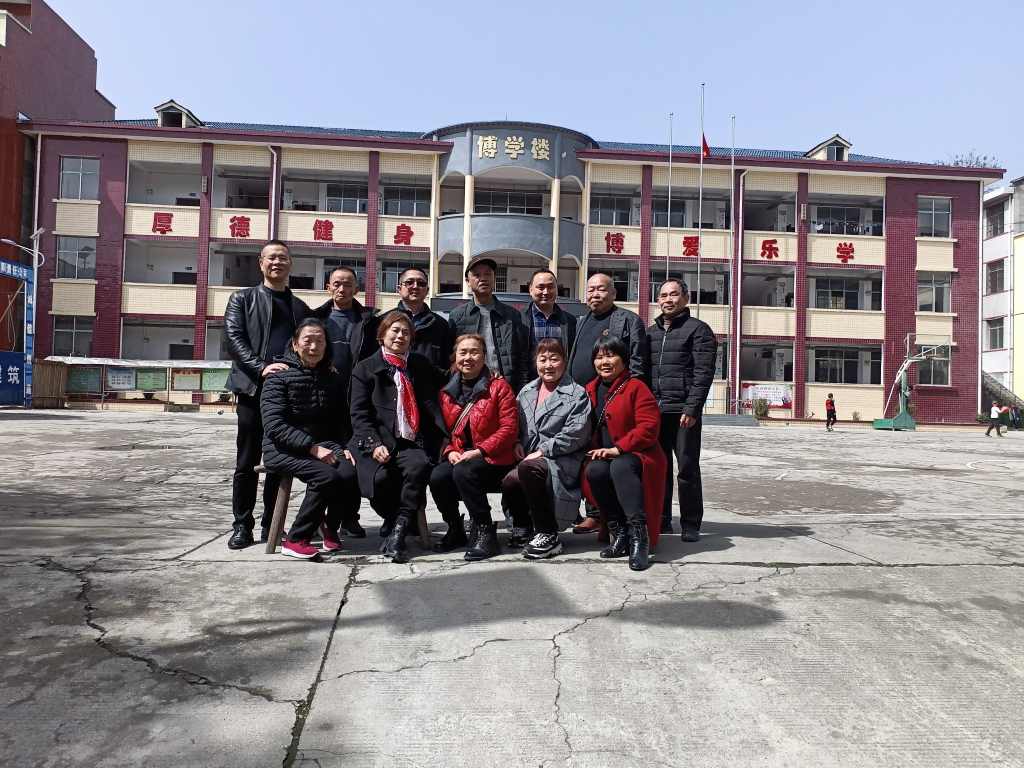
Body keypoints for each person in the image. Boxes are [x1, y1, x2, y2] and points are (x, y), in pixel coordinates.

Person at [224, 239, 311, 550]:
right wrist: (261, 367)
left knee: (280, 462)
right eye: (271, 257)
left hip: (287, 396)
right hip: (252, 391)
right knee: (247, 462)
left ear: (290, 264)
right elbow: (234, 339)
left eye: (283, 258)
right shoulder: (242, 299)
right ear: (261, 263)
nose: (277, 262)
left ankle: (270, 526)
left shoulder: (299, 307)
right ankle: (242, 525)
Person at [260, 319, 360, 560]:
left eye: (320, 341)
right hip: (282, 448)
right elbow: (274, 425)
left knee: (349, 472)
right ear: (295, 344)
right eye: (308, 340)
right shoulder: (278, 377)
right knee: (326, 477)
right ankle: (296, 539)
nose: (314, 347)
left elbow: (340, 419)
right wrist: (312, 448)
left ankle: (329, 527)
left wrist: (346, 446)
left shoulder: (331, 377)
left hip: (323, 444)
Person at [348, 311, 444, 563]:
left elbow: (446, 379)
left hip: (410, 440)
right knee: (379, 479)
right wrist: (373, 443)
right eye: (395, 331)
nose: (400, 336)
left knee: (418, 466)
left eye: (406, 332)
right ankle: (393, 518)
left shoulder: (419, 364)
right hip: (376, 440)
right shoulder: (365, 368)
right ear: (382, 335)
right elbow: (359, 414)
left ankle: (398, 531)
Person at [567, 272, 649, 534]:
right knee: (588, 457)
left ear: (613, 293)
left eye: (601, 289)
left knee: (610, 458)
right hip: (584, 399)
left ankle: (617, 519)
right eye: (591, 289)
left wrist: (627, 394)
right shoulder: (581, 321)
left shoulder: (628, 320)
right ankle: (595, 513)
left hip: (614, 398)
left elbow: (638, 362)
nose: (595, 294)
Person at [429, 334, 519, 561]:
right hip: (461, 456)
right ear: (455, 356)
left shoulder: (499, 387)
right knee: (438, 477)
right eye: (463, 352)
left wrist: (479, 451)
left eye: (474, 352)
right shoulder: (446, 392)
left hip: (494, 458)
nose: (468, 357)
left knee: (464, 471)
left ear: (484, 356)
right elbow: (444, 433)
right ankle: (455, 528)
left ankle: (485, 530)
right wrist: (450, 451)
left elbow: (509, 428)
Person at [502, 338, 592, 560]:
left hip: (561, 459)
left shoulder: (577, 393)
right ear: (536, 362)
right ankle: (523, 527)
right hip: (529, 458)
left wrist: (543, 450)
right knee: (510, 479)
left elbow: (576, 433)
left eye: (554, 359)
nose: (548, 365)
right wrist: (516, 442)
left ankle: (547, 533)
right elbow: (513, 424)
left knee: (528, 469)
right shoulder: (527, 391)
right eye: (543, 359)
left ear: (564, 361)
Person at [582, 337, 666, 571]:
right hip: (604, 454)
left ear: (624, 359)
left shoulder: (636, 387)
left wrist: (617, 449)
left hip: (639, 454)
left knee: (620, 465)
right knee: (595, 471)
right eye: (599, 357)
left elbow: (648, 427)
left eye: (610, 356)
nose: (604, 362)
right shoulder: (589, 389)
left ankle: (639, 536)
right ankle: (618, 533)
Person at [648, 279, 718, 541]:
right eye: (663, 295)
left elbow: (703, 373)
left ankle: (690, 524)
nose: (668, 299)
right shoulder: (650, 333)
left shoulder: (698, 330)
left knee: (687, 467)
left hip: (683, 413)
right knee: (660, 468)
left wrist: (692, 408)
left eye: (674, 294)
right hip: (655, 412)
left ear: (686, 298)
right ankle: (662, 520)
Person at [312, 266, 379, 537]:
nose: (342, 288)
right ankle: (319, 518)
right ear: (328, 287)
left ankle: (350, 517)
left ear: (357, 288)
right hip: (325, 400)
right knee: (327, 461)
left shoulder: (369, 320)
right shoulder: (316, 319)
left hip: (358, 399)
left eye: (348, 284)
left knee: (355, 459)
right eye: (337, 283)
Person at [447, 256, 530, 393]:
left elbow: (522, 359)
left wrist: (521, 392)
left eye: (487, 274)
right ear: (468, 281)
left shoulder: (512, 315)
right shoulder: (457, 317)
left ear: (494, 279)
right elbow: (451, 359)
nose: (483, 279)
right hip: (469, 390)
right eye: (477, 275)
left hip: (505, 389)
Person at [394, 266, 454, 380]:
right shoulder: (384, 322)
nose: (415, 286)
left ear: (427, 290)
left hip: (429, 388)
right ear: (399, 289)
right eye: (409, 282)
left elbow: (447, 363)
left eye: (421, 283)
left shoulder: (441, 325)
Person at [520, 269, 577, 380]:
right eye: (541, 287)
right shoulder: (519, 319)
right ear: (530, 290)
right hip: (529, 383)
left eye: (550, 287)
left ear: (557, 290)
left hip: (561, 384)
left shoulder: (569, 321)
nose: (546, 292)